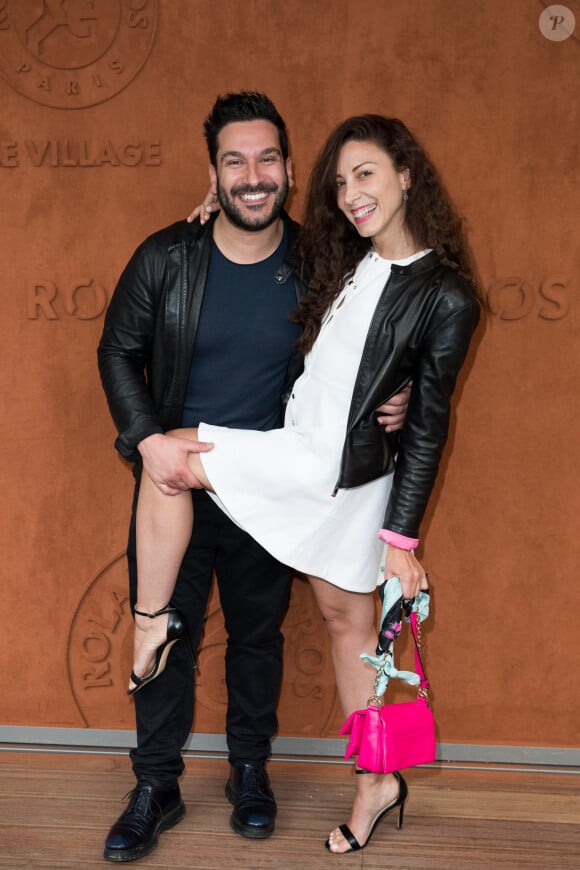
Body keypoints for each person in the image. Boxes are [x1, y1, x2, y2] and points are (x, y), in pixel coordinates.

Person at [128, 113, 483, 854]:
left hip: (340, 473)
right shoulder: (343, 257)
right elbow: (256, 231)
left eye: (368, 175)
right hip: (303, 448)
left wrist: (401, 539)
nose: (354, 194)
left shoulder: (446, 295)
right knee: (343, 622)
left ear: (407, 175)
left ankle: (150, 621)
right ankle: (377, 778)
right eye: (342, 180)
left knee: (174, 456)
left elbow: (428, 427)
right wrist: (206, 215)